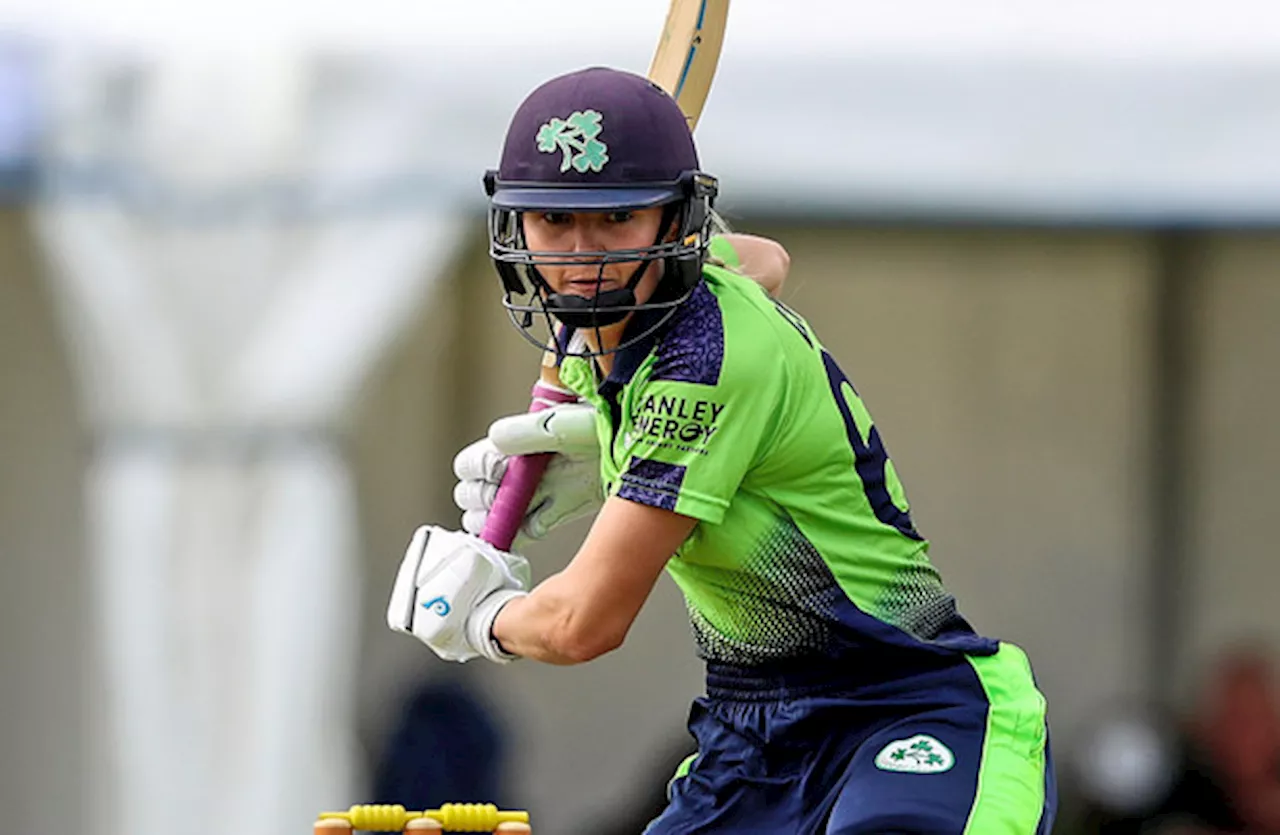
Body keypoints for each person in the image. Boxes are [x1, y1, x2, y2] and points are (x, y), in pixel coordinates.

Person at [387, 65, 1056, 833]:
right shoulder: (618, 325)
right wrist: (614, 447)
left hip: (905, 705)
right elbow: (766, 257)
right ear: (516, 226)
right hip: (752, 736)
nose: (584, 257)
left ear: (677, 222)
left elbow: (584, 624)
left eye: (616, 220)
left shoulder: (705, 363)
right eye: (556, 220)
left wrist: (482, 614)